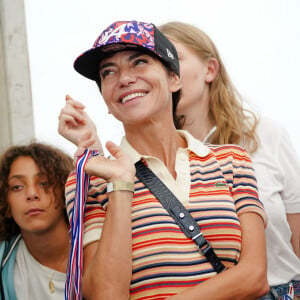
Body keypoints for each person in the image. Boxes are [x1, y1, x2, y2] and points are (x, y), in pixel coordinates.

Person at [60, 20, 269, 300]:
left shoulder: (232, 160)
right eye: (108, 72)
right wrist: (121, 185)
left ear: (174, 79)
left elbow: (255, 277)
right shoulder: (90, 180)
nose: (124, 78)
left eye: (139, 62)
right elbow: (106, 295)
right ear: (107, 101)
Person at [158, 21, 300, 299]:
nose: (163, 71)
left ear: (210, 70)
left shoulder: (266, 135)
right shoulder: (150, 159)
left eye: (173, 57)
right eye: (154, 62)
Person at [0, 142, 73, 300]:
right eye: (17, 187)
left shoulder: (97, 248)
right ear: (5, 203)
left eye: (44, 183)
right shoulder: (4, 261)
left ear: (66, 189)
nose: (31, 194)